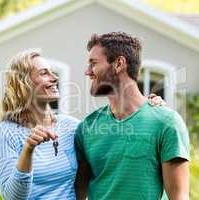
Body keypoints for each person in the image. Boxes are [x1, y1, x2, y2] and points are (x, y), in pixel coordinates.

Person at [0, 49, 165, 200]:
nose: (54, 78)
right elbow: (13, 197)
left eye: (52, 72)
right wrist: (28, 149)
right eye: (44, 73)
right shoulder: (5, 132)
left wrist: (145, 106)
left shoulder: (72, 127)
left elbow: (116, 137)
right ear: (23, 84)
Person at [75, 32, 190, 200]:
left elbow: (179, 196)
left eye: (93, 63)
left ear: (119, 64)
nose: (87, 71)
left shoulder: (166, 123)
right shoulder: (87, 127)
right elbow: (78, 194)